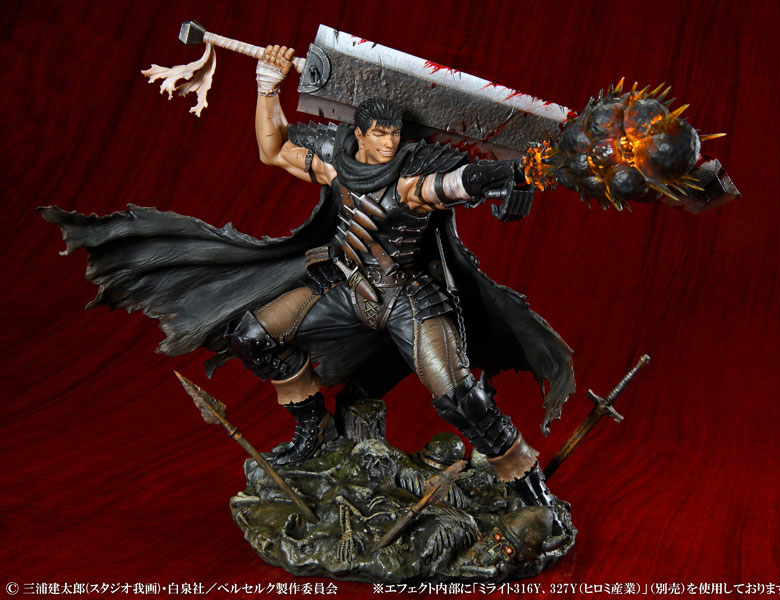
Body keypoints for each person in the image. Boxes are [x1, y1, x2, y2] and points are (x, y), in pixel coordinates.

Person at [224, 44, 573, 510]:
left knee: (462, 400)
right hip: (347, 287)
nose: (389, 143)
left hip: (407, 298)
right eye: (380, 134)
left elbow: (459, 183)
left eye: (394, 134)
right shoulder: (334, 161)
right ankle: (314, 429)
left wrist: (519, 172)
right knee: (252, 337)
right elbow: (273, 150)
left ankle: (530, 487)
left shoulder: (411, 178)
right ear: (360, 134)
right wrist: (268, 87)